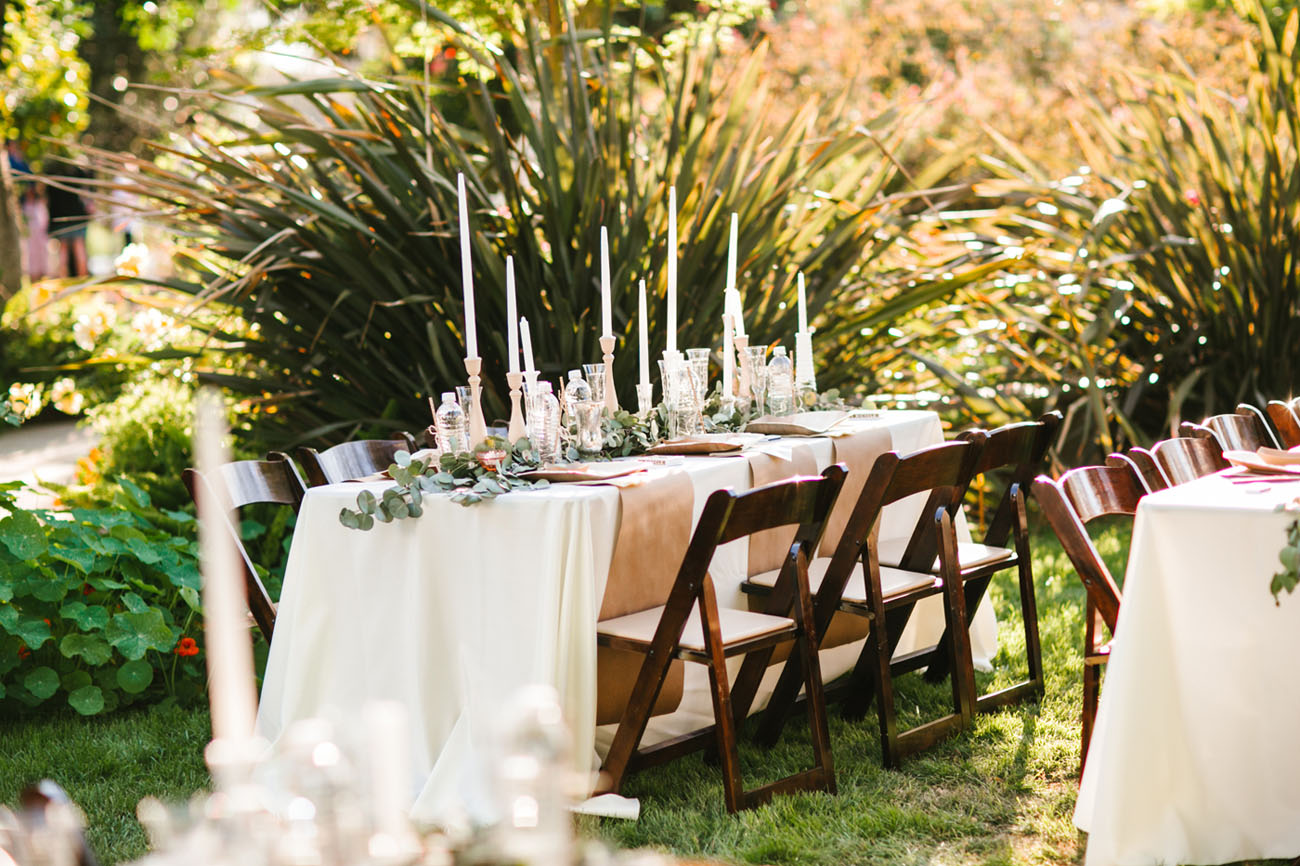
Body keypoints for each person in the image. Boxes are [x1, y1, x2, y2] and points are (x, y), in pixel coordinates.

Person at [45, 157, 93, 277]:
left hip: (61, 217)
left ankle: (65, 279)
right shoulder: (76, 174)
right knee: (78, 248)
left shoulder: (52, 175)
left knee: (64, 251)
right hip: (75, 216)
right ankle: (83, 279)